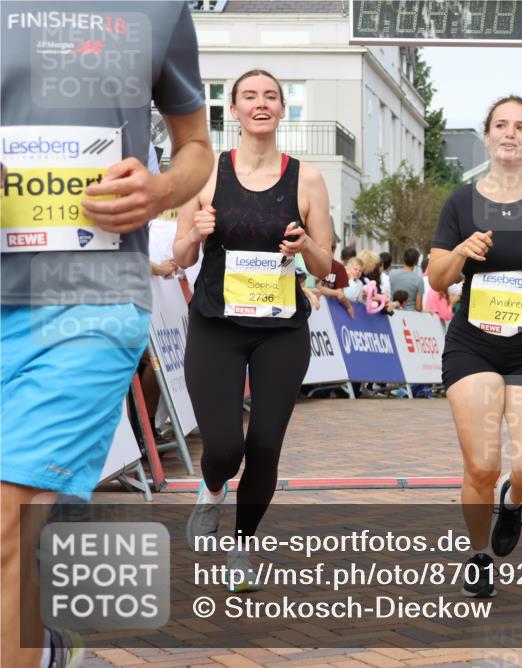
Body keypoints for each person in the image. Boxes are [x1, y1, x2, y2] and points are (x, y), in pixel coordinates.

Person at [1, 3, 213, 666]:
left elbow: (196, 148)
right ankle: (44, 651)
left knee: (6, 520)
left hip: (88, 303)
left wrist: (160, 189)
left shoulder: (157, 10)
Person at [173, 69, 332, 591]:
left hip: (280, 330)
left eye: (270, 96)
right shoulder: (206, 173)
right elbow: (179, 256)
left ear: (283, 110)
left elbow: (329, 267)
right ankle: (212, 489)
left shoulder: (306, 179)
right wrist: (193, 235)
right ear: (234, 110)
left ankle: (242, 548)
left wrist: (306, 246)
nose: (260, 103)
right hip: (217, 323)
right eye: (249, 96)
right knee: (223, 446)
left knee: (265, 443)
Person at [428, 95, 522, 598]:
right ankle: (478, 554)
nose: (510, 133)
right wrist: (462, 252)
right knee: (482, 464)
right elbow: (436, 278)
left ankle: (513, 502)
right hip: (474, 345)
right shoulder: (461, 202)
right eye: (501, 125)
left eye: (520, 127)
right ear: (488, 136)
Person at [315, 236, 355, 318]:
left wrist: (348, 306)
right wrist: (348, 306)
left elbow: (340, 294)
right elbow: (316, 288)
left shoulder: (339, 268)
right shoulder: (313, 263)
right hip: (316, 306)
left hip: (330, 310)